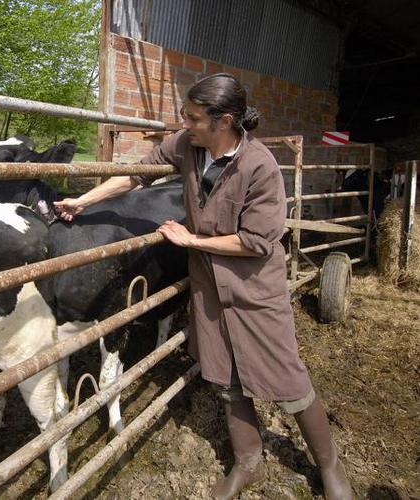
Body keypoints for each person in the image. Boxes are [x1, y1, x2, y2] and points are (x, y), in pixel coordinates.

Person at [54, 73, 352, 500]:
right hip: (209, 286)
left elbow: (255, 240)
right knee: (225, 376)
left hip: (253, 289)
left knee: (287, 378)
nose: (184, 123)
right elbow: (137, 176)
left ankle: (329, 466)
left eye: (192, 117)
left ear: (224, 121)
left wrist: (192, 240)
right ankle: (249, 463)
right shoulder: (188, 146)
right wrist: (82, 201)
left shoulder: (259, 166)